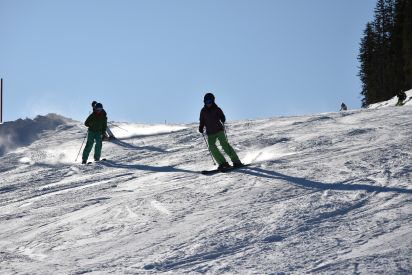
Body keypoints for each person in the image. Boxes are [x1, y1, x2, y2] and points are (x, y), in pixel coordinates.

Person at [199, 92, 243, 170]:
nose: (208, 103)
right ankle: (223, 163)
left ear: (213, 101)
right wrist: (201, 127)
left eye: (210, 102)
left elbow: (222, 116)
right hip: (210, 133)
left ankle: (236, 161)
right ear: (204, 102)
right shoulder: (203, 111)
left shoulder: (217, 109)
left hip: (219, 130)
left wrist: (222, 118)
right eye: (206, 102)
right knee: (212, 147)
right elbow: (202, 121)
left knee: (224, 144)